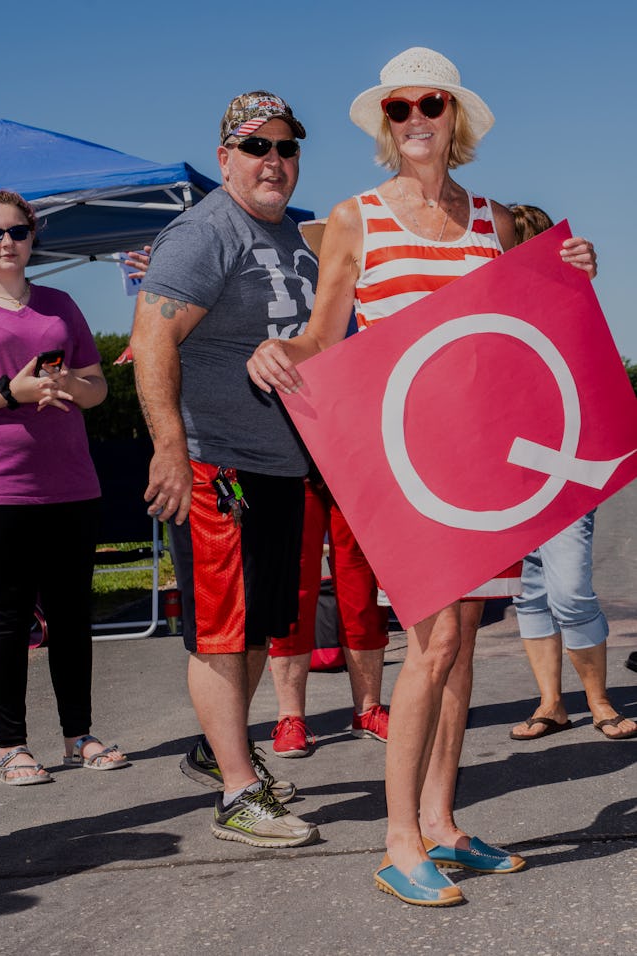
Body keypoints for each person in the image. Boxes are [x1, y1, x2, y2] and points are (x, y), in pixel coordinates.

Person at [247, 48, 596, 904]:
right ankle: (398, 841)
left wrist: (576, 272)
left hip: (483, 460)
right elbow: (325, 332)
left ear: (454, 116)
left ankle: (441, 823)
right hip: (409, 461)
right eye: (398, 108)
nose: (414, 120)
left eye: (429, 104)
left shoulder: (493, 220)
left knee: (464, 643)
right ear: (385, 123)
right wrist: (277, 351)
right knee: (434, 642)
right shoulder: (357, 216)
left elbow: (527, 327)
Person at [130, 91, 319, 848]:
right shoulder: (204, 231)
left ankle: (222, 750)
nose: (273, 160)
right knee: (220, 631)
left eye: (286, 147)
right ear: (225, 158)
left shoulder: (303, 233)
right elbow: (152, 341)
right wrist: (171, 449)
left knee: (257, 627)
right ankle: (239, 794)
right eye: (255, 147)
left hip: (281, 463)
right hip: (218, 464)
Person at [0, 175, 127, 785]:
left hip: (71, 482)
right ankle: (11, 746)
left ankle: (78, 736)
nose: (7, 242)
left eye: (18, 231)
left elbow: (98, 387)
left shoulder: (60, 304)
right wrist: (11, 391)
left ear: (33, 237)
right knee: (10, 617)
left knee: (71, 614)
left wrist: (68, 385)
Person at [507, 205, 637, 743]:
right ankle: (551, 703)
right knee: (529, 591)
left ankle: (599, 701)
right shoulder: (485, 314)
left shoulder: (561, 305)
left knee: (569, 589)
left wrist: (581, 275)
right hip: (506, 472)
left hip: (561, 467)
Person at [269, 470, 390, 758]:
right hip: (292, 464)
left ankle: (368, 710)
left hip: (350, 465)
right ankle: (290, 717)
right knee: (293, 586)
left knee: (361, 588)